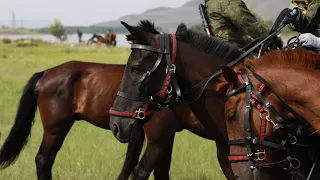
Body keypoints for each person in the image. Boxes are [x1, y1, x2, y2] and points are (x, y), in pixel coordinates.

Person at [204, 0, 282, 48]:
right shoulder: (226, 2)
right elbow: (251, 28)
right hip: (235, 52)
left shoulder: (211, 3)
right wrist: (274, 38)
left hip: (228, 50)